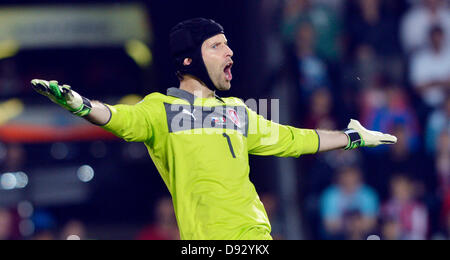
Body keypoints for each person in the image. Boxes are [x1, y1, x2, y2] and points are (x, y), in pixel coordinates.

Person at [29, 18, 397, 240]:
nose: (230, 52)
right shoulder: (161, 109)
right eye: (217, 45)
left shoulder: (238, 111)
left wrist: (352, 137)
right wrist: (79, 105)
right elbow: (118, 119)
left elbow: (292, 139)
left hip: (252, 235)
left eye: (228, 44)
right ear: (189, 59)